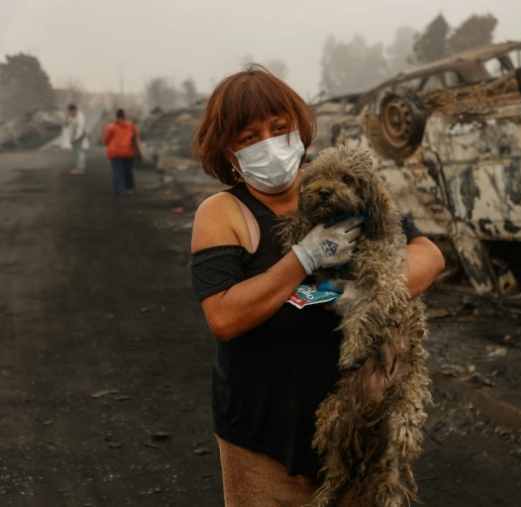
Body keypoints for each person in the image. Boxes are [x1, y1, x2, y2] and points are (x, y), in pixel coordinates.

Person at [189, 65, 445, 507]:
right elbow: (224, 317)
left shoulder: (339, 182)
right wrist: (303, 258)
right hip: (263, 439)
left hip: (358, 426)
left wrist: (371, 291)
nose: (268, 143)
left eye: (279, 128)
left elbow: (429, 254)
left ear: (299, 130)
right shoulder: (223, 212)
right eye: (249, 137)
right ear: (228, 151)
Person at [102, 109, 139, 195]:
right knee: (128, 171)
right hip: (128, 152)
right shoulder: (131, 126)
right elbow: (137, 137)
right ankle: (129, 188)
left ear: (116, 117)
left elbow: (105, 140)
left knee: (117, 172)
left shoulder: (111, 127)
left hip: (115, 153)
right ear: (125, 116)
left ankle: (120, 190)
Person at [66, 104, 87, 175]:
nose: (70, 113)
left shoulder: (79, 116)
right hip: (73, 136)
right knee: (75, 152)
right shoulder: (72, 117)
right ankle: (77, 166)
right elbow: (66, 125)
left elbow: (80, 126)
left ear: (74, 110)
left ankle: (80, 168)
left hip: (78, 136)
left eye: (71, 111)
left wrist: (77, 136)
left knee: (79, 152)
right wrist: (66, 117)